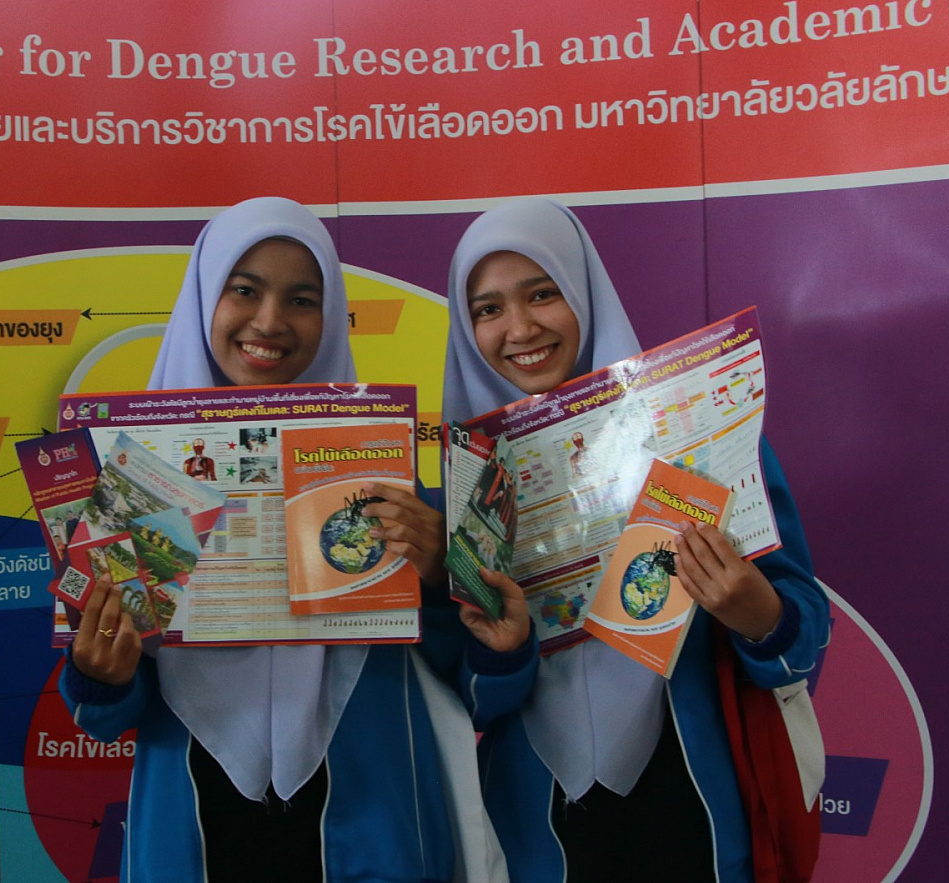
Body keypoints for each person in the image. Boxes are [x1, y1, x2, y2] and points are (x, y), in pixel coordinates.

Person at [58, 196, 509, 883]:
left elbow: (473, 683)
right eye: (244, 290)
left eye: (302, 299)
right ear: (205, 298)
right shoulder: (138, 476)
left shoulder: (387, 486)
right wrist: (102, 673)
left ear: (328, 317)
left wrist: (441, 577)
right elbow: (101, 712)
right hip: (197, 823)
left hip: (373, 821)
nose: (269, 321)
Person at [442, 197, 830, 883]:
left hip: (697, 806)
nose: (520, 328)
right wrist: (501, 653)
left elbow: (801, 638)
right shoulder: (465, 484)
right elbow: (463, 701)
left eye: (543, 293)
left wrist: (757, 613)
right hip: (532, 824)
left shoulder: (699, 440)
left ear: (585, 293)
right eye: (488, 308)